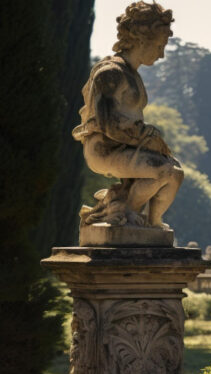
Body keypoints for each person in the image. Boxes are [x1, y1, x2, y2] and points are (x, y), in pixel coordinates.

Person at [73, 2, 182, 228]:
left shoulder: (131, 74)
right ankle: (124, 214)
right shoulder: (111, 73)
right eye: (160, 45)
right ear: (142, 40)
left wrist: (149, 138)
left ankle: (152, 223)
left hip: (126, 145)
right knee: (163, 171)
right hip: (104, 148)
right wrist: (147, 137)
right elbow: (108, 124)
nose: (161, 54)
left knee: (176, 174)